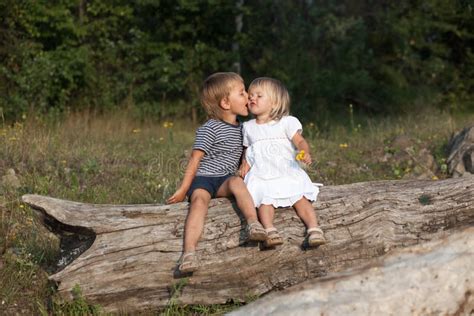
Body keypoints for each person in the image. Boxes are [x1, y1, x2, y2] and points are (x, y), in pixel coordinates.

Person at [167, 72, 267, 273]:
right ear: (225, 103)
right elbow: (195, 159)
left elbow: (249, 149)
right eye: (242, 93)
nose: (248, 96)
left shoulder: (244, 129)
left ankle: (253, 224)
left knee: (237, 183)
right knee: (199, 202)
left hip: (225, 180)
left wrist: (245, 161)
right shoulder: (210, 128)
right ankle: (189, 253)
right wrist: (183, 189)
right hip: (204, 179)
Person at [239, 77, 326, 248]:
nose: (252, 98)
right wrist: (244, 165)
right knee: (264, 200)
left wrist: (304, 151)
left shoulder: (286, 122)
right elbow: (248, 152)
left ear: (274, 102)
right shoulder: (248, 127)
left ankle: (314, 229)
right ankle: (270, 230)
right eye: (250, 96)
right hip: (262, 173)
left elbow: (300, 141)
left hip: (286, 170)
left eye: (259, 95)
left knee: (300, 199)